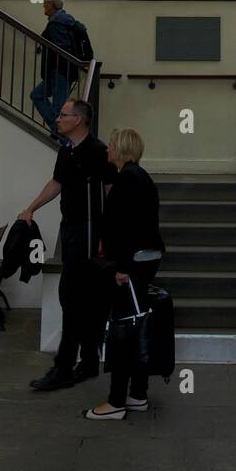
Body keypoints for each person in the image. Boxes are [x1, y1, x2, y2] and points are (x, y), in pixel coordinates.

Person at [21, 100, 117, 392]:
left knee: (74, 296)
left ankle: (63, 367)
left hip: (89, 231)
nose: (58, 119)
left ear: (79, 120)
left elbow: (112, 188)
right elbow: (57, 182)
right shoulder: (66, 150)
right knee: (77, 297)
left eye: (63, 115)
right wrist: (30, 208)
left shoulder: (98, 151)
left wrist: (106, 233)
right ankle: (88, 361)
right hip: (71, 228)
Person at [83, 127, 165, 421]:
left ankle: (116, 401)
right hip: (142, 261)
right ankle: (137, 394)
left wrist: (122, 269)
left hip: (132, 265)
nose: (107, 150)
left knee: (123, 330)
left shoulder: (128, 179)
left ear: (121, 149)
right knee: (137, 325)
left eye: (111, 146)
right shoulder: (138, 176)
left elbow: (126, 228)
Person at [30, 0, 83, 134]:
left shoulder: (57, 23)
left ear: (52, 5)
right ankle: (58, 131)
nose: (43, 6)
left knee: (58, 108)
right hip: (59, 71)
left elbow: (61, 48)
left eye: (46, 3)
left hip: (60, 71)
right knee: (37, 95)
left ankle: (61, 136)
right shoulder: (63, 20)